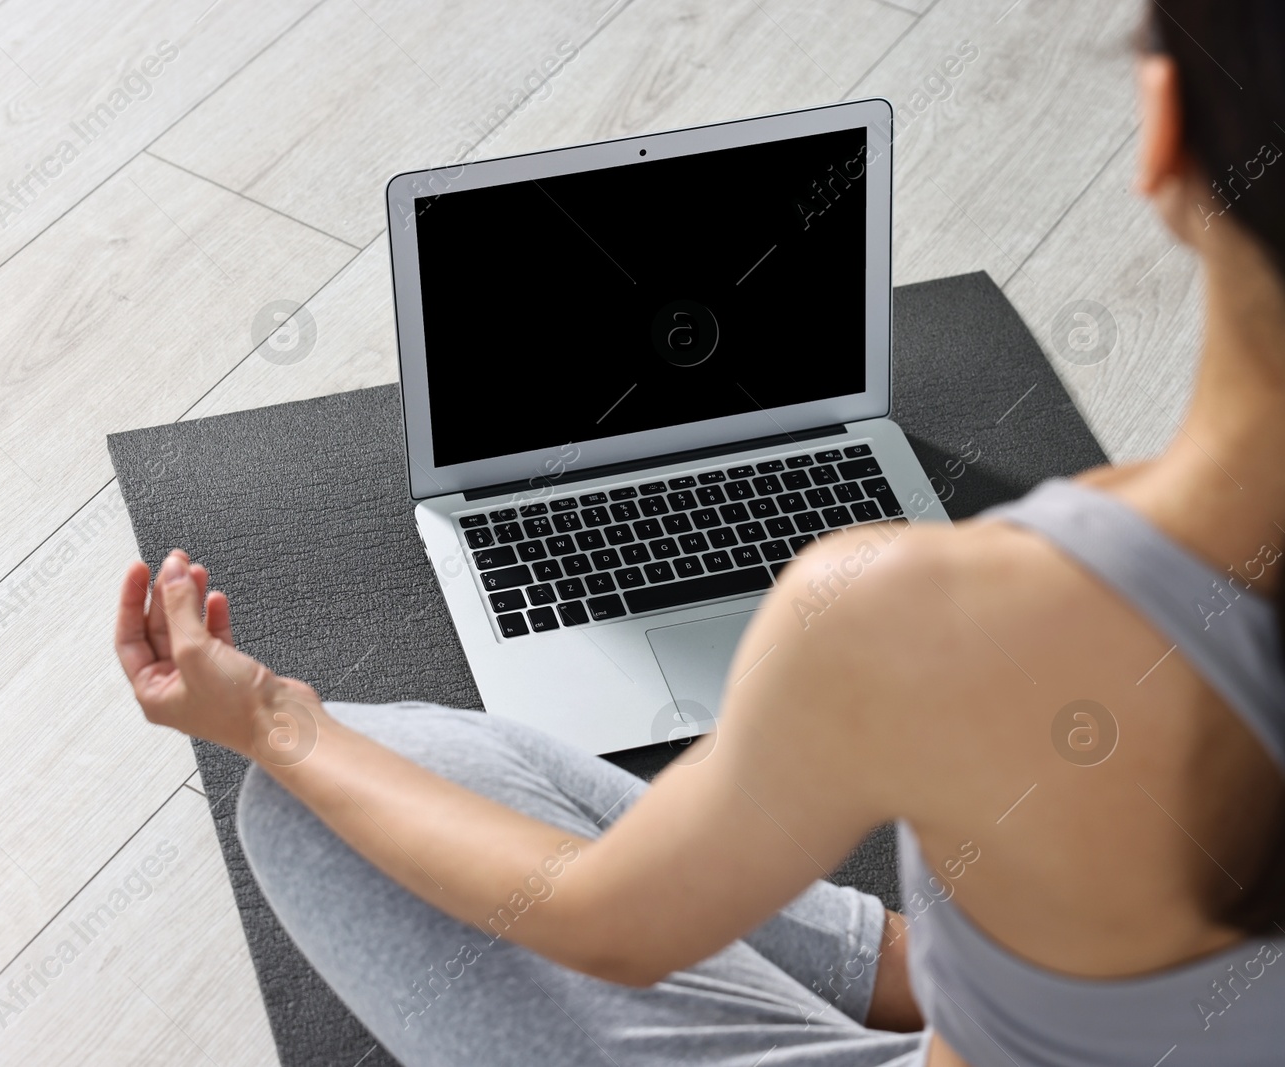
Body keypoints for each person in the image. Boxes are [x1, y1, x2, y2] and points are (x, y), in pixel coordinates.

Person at [113, 3, 1285, 1062]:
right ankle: (928, 967)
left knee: (310, 809)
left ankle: (930, 967)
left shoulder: (940, 615)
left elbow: (604, 926)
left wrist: (273, 719)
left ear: (1163, 132)